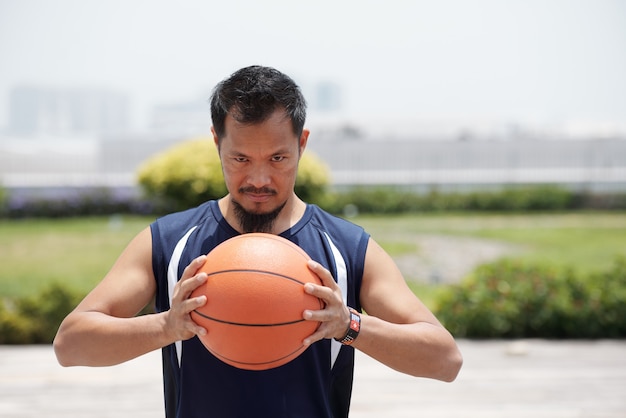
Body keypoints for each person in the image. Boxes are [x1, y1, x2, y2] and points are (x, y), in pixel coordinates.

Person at [54, 65, 462, 418]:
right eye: (241, 159)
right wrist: (165, 325)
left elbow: (445, 360)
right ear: (217, 143)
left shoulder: (346, 248)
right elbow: (70, 345)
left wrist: (349, 324)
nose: (260, 179)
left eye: (278, 159)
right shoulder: (171, 241)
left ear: (302, 144)